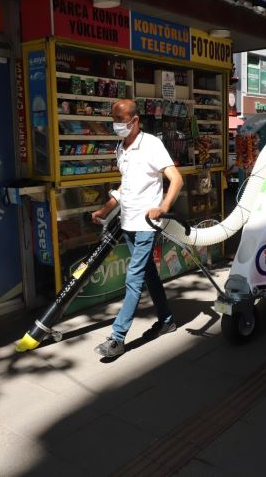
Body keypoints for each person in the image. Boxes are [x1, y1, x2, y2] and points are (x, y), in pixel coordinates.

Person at [91, 99, 183, 358]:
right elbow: (125, 185)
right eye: (114, 120)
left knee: (133, 278)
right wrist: (105, 210)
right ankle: (166, 320)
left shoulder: (152, 144)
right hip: (127, 222)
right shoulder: (121, 148)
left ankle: (117, 337)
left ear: (135, 120)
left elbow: (176, 178)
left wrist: (163, 207)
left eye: (121, 121)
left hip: (147, 224)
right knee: (148, 274)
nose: (116, 125)